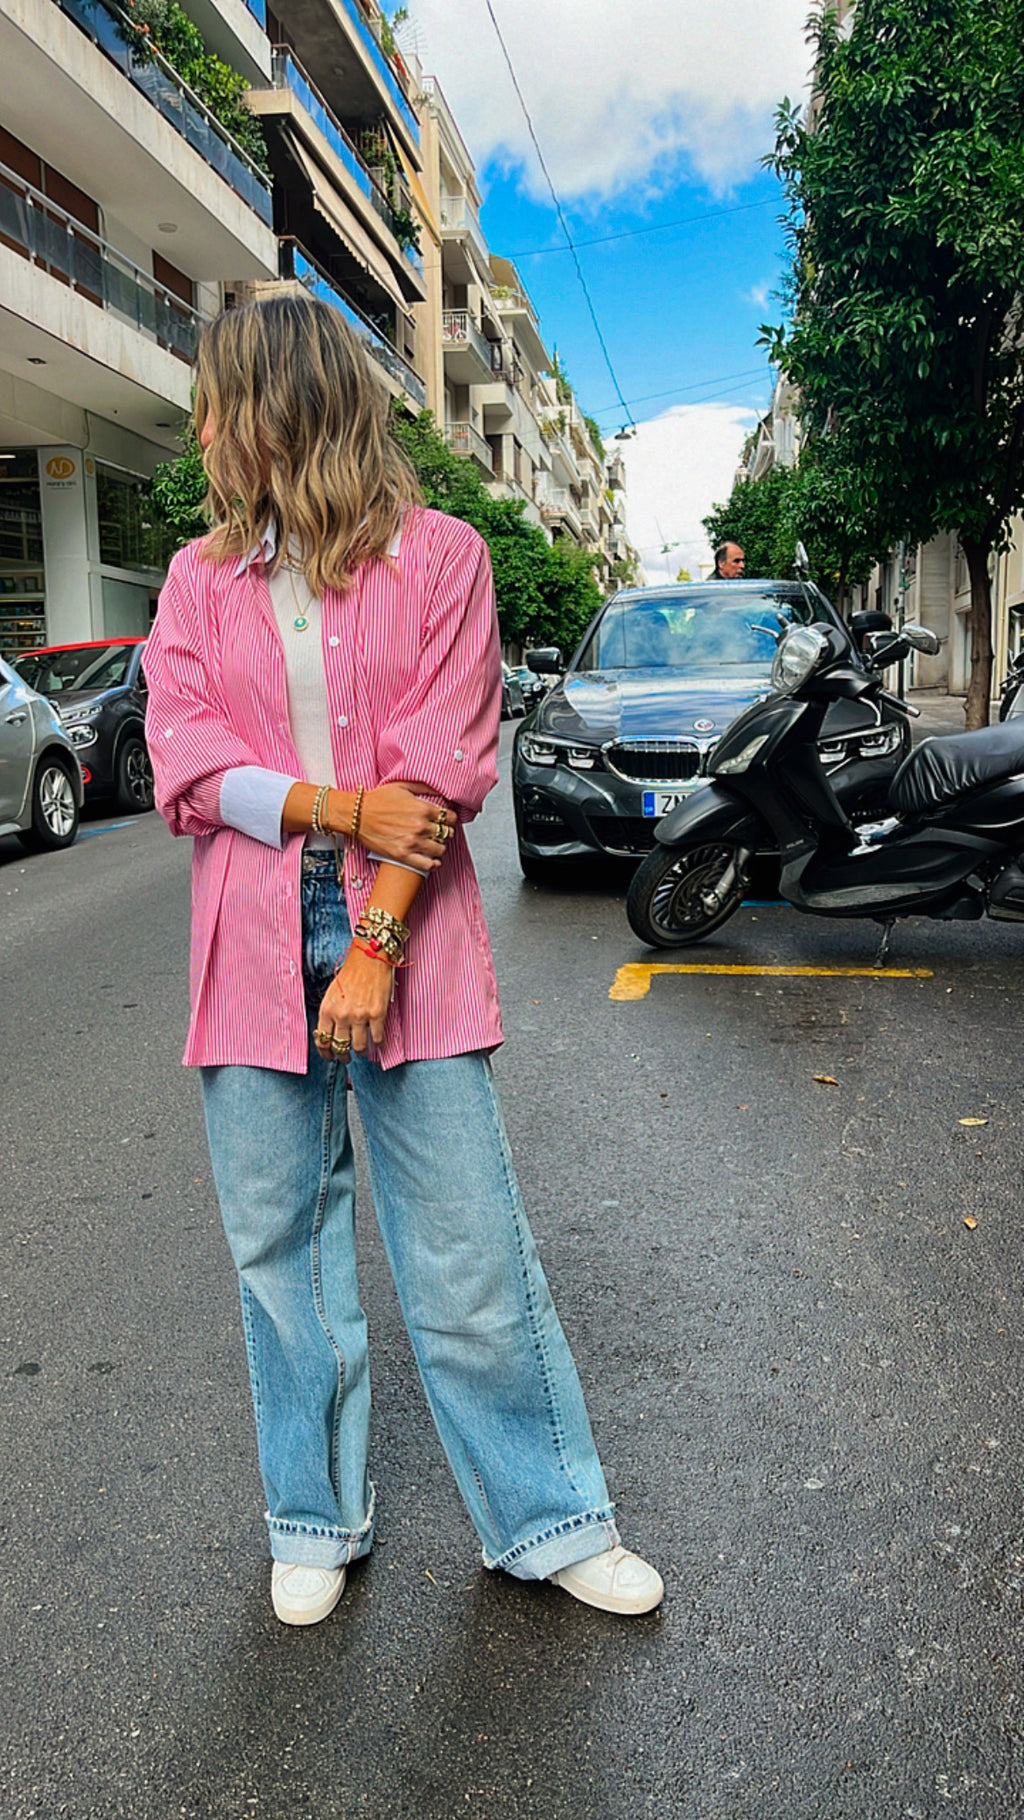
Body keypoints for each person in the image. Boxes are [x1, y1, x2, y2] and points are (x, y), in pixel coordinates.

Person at [144, 293, 663, 1627]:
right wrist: (334, 807)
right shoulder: (198, 582)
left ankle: (549, 1519)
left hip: (405, 924)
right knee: (280, 1251)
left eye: (217, 407)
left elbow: (442, 768)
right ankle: (313, 1516)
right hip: (251, 934)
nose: (202, 433)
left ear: (280, 411)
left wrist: (374, 941)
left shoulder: (442, 561)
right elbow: (184, 763)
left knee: (468, 1246)